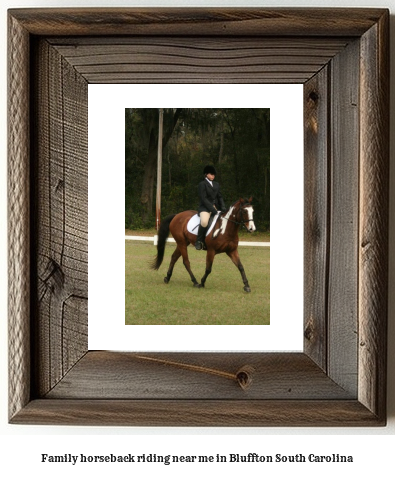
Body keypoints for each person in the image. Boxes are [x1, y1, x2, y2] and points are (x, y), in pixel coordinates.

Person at [195, 165, 226, 250]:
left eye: (214, 174)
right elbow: (203, 199)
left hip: (216, 207)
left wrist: (223, 206)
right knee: (204, 222)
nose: (213, 176)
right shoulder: (202, 184)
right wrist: (212, 209)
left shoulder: (216, 184)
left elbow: (220, 196)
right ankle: (199, 241)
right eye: (211, 174)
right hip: (205, 208)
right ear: (206, 174)